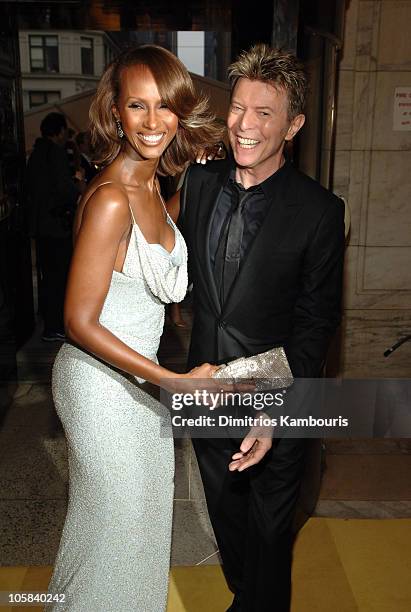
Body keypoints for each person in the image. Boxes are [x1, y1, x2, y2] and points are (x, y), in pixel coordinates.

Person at [169, 44, 345, 612]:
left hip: (277, 398)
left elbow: (315, 324)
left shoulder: (318, 211)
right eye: (238, 108)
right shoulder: (198, 186)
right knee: (229, 525)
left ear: (292, 125)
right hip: (206, 390)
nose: (244, 125)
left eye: (264, 113)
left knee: (271, 533)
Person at [46, 44, 222, 611]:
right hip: (99, 384)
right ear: (114, 112)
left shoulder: (150, 186)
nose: (153, 123)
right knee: (113, 532)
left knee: (137, 532)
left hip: (137, 381)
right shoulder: (111, 199)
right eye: (137, 106)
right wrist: (172, 380)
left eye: (165, 107)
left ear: (180, 111)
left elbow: (155, 247)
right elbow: (77, 320)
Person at [26, 112, 83, 341]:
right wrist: (76, 186)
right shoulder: (56, 153)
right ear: (58, 132)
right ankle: (56, 326)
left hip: (40, 225)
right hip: (56, 225)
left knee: (47, 276)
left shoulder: (35, 153)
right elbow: (64, 189)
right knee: (60, 277)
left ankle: (49, 323)